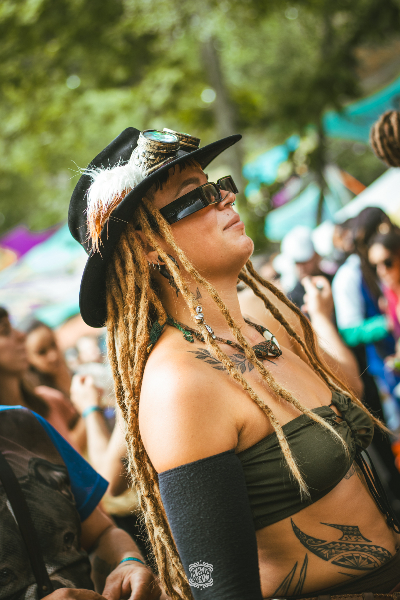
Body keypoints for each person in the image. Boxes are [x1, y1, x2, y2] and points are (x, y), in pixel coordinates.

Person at [69, 127, 400, 599]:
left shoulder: (267, 324)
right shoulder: (179, 385)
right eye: (197, 195)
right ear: (148, 245)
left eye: (218, 184)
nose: (225, 196)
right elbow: (214, 584)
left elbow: (353, 388)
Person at [0, 314, 163, 599]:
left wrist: (127, 562)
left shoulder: (28, 423)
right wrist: (92, 411)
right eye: (4, 330)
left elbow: (101, 533)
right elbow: (109, 476)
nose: (19, 337)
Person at [278, 225, 334, 310]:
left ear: (316, 255)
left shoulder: (335, 282)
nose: (301, 267)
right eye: (297, 262)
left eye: (305, 261)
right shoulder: (292, 300)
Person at [21, 319, 73, 396]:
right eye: (42, 352)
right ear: (28, 359)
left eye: (53, 344)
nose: (54, 356)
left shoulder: (80, 372)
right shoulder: (43, 397)